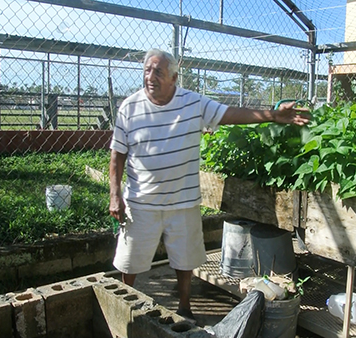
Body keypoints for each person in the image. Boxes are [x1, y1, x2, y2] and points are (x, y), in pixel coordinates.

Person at [109, 48, 310, 321]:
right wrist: (114, 195)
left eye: (158, 71)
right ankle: (124, 305)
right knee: (129, 260)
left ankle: (184, 307)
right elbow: (117, 154)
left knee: (185, 259)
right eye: (147, 70)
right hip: (141, 201)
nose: (150, 76)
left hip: (183, 202)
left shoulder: (193, 104)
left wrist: (273, 115)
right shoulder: (129, 108)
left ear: (173, 77)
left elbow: (232, 114)